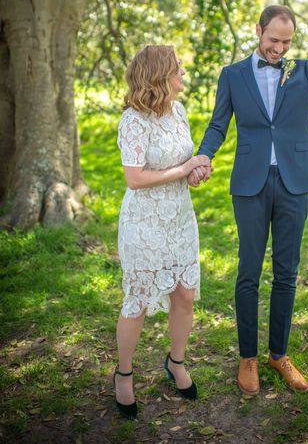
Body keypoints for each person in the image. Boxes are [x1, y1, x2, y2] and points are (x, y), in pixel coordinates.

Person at [190, 6, 308, 395]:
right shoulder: (232, 75)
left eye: (286, 42)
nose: (279, 48)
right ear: (258, 30)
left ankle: (278, 355)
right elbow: (217, 124)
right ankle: (248, 357)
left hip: (295, 182)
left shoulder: (302, 70)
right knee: (248, 272)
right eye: (273, 40)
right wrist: (203, 155)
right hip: (250, 183)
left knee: (286, 272)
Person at [114, 45, 209, 419]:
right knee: (137, 301)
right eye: (178, 68)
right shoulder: (132, 121)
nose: (183, 73)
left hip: (180, 218)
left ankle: (176, 361)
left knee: (185, 294)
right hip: (144, 223)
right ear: (158, 76)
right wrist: (185, 169)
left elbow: (182, 162)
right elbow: (135, 179)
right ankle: (123, 373)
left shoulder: (179, 111)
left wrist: (195, 172)